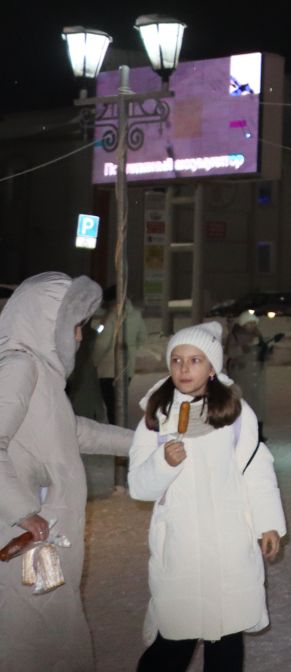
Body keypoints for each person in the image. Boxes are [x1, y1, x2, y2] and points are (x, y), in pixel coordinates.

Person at [129, 322, 287, 672]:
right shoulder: (156, 418)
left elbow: (256, 470)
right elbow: (139, 486)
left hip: (229, 545)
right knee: (174, 642)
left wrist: (268, 524)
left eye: (196, 360)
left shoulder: (237, 415)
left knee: (226, 639)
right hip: (181, 547)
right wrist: (163, 464)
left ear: (213, 367)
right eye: (177, 360)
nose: (184, 369)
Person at [0, 273, 136, 671]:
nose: (80, 337)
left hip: (47, 543)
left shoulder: (42, 376)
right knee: (28, 642)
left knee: (56, 639)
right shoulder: (19, 366)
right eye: (73, 326)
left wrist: (145, 444)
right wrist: (24, 509)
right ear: (48, 324)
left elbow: (73, 432)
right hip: (26, 540)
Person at [93, 284, 148, 425]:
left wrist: (93, 362)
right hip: (127, 368)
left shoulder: (111, 317)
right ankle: (121, 428)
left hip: (108, 369)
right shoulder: (136, 315)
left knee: (111, 406)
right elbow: (143, 337)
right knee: (120, 403)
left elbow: (102, 342)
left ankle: (115, 432)